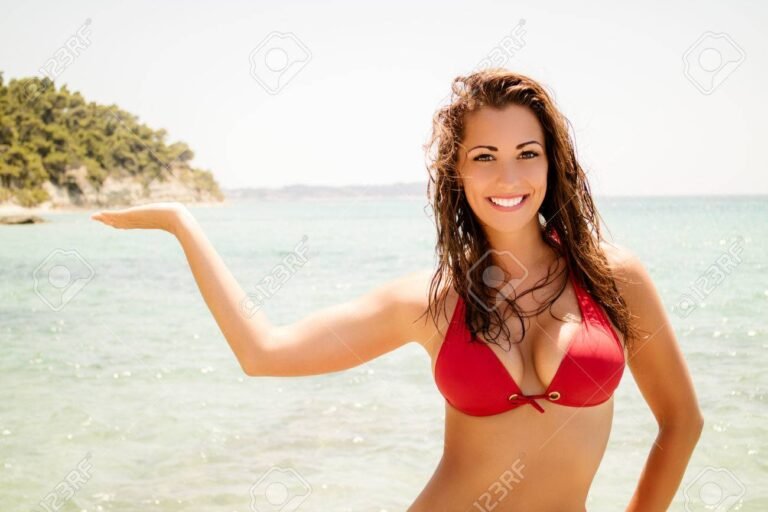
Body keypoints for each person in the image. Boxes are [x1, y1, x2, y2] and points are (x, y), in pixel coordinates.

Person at [91, 68, 704, 512]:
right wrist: (182, 223)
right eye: (485, 156)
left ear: (553, 163)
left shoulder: (611, 276)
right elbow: (264, 353)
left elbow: (681, 422)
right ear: (456, 172)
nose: (509, 176)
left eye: (527, 153)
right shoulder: (431, 302)